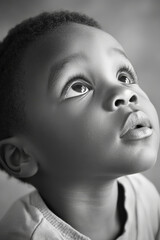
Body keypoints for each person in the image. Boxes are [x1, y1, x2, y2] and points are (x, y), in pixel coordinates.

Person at [0, 10, 159, 240]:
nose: (124, 93)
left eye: (124, 76)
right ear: (20, 156)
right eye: (78, 87)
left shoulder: (145, 197)